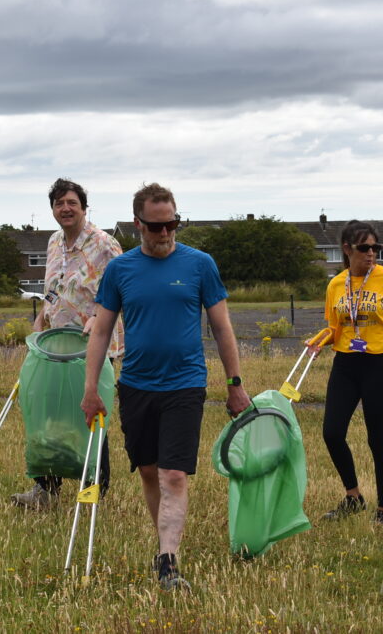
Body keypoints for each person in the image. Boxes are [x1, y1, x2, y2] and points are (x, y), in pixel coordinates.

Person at [80, 183, 250, 591]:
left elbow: (222, 327)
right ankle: (162, 547)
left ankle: (168, 562)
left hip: (186, 384)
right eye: (155, 227)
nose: (165, 234)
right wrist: (90, 389)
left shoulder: (200, 265)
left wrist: (235, 383)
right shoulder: (121, 270)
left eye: (172, 224)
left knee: (174, 474)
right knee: (150, 472)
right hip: (136, 385)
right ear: (138, 224)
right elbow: (101, 331)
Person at [11, 178, 124, 509]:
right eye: (59, 203)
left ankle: (93, 490)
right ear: (53, 210)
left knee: (91, 414)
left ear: (84, 207)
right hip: (55, 345)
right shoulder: (53, 243)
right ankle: (45, 489)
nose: (65, 208)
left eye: (71, 203)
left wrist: (98, 317)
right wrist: (42, 316)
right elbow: (54, 287)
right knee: (50, 415)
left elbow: (122, 291)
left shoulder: (105, 245)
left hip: (94, 345)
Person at [305, 220, 383, 526]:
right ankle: (353, 496)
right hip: (345, 364)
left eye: (376, 248)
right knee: (331, 432)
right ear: (347, 249)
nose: (371, 254)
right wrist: (320, 340)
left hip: (379, 364)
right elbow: (335, 327)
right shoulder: (335, 285)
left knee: (377, 439)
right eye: (365, 248)